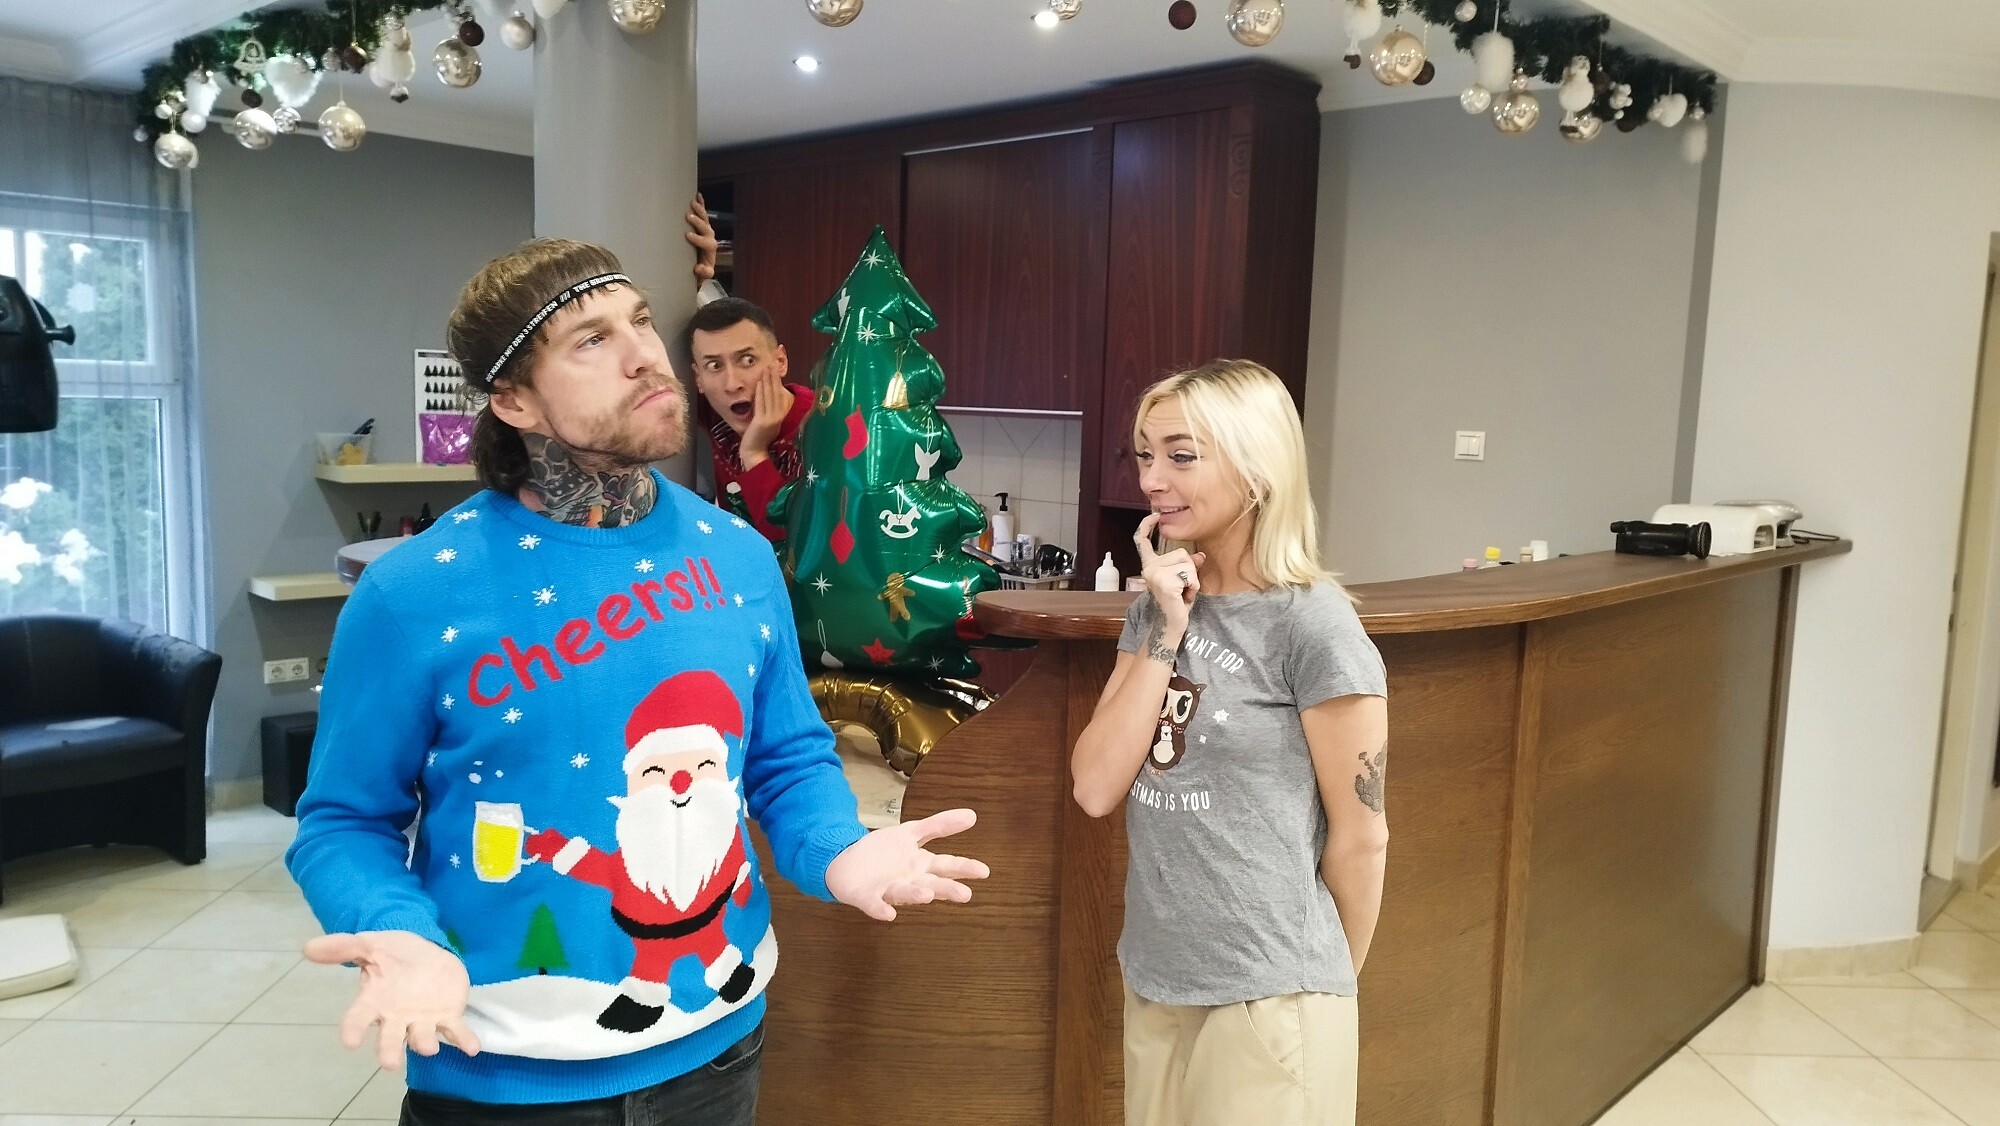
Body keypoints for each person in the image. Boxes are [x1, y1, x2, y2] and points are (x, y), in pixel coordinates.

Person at [286, 237, 989, 1126]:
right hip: (502, 1077)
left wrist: (838, 848)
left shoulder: (738, 555)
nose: (645, 355)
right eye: (591, 339)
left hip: (719, 1051)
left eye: (642, 321)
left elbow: (786, 759)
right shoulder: (413, 594)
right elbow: (344, 822)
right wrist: (397, 931)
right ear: (512, 400)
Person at [1069, 360, 1389, 1126]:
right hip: (1158, 978)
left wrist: (1317, 989)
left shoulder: (1313, 624)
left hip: (1271, 997)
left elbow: (1362, 837)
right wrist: (1166, 628)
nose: (1152, 480)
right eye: (1146, 455)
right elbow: (1095, 786)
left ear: (1257, 466)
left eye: (1181, 456)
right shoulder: (1158, 606)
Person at [682, 197, 810, 543]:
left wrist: (754, 453)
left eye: (747, 360)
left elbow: (794, 540)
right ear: (698, 378)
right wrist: (695, 274)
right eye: (714, 366)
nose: (732, 383)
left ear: (780, 361)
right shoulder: (715, 403)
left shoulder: (821, 427)